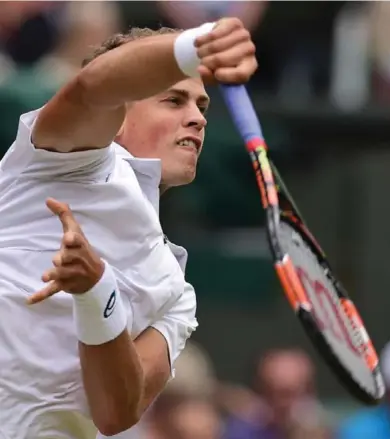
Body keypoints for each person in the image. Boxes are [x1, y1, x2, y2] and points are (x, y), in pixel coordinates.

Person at [0, 17, 257, 439]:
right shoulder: (63, 161)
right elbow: (93, 87)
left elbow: (117, 411)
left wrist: (96, 292)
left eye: (202, 106)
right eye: (174, 100)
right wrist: (196, 45)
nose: (198, 119)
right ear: (117, 114)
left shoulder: (176, 290)